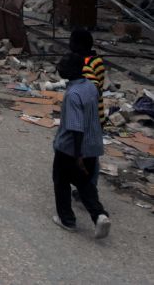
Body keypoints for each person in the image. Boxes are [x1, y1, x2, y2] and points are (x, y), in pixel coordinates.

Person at [52, 33, 111, 238]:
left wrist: (77, 155)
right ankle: (99, 215)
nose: (60, 67)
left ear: (71, 71)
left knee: (61, 181)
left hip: (71, 148)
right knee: (85, 184)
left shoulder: (73, 94)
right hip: (93, 146)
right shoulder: (90, 88)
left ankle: (67, 219)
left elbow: (76, 127)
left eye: (63, 65)